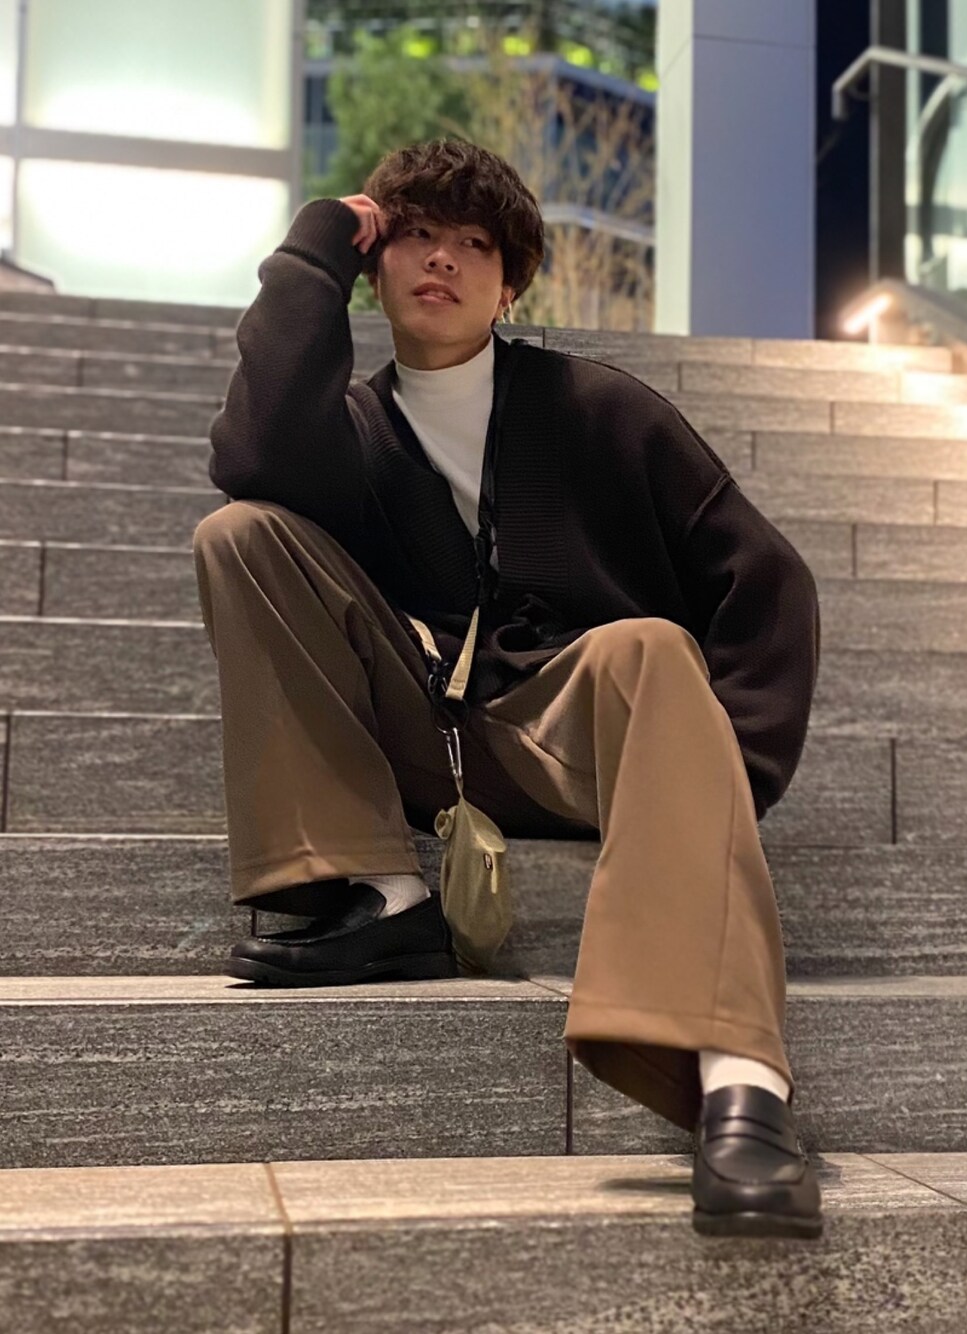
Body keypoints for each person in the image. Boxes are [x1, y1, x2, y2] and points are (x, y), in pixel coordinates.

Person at [193, 137, 823, 1239]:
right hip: (422, 733)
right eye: (416, 235)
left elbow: (768, 580)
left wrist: (729, 766)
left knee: (647, 646)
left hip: (574, 733)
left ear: (510, 285)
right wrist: (313, 250)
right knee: (238, 533)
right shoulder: (352, 432)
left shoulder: (598, 411)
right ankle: (380, 898)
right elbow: (250, 457)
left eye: (475, 243)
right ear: (376, 265)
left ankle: (741, 1084)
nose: (442, 258)